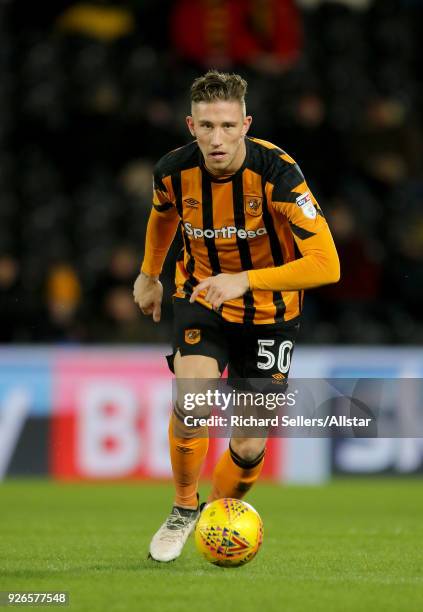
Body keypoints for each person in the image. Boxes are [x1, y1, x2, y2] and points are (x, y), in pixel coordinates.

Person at [133, 70, 340, 562]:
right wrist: (149, 274)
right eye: (206, 126)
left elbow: (328, 265)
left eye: (227, 126)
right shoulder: (172, 171)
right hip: (201, 298)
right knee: (194, 400)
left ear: (246, 123)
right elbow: (163, 214)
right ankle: (184, 508)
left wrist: (245, 280)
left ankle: (219, 514)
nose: (216, 138)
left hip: (270, 313)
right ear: (190, 125)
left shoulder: (279, 174)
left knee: (247, 447)